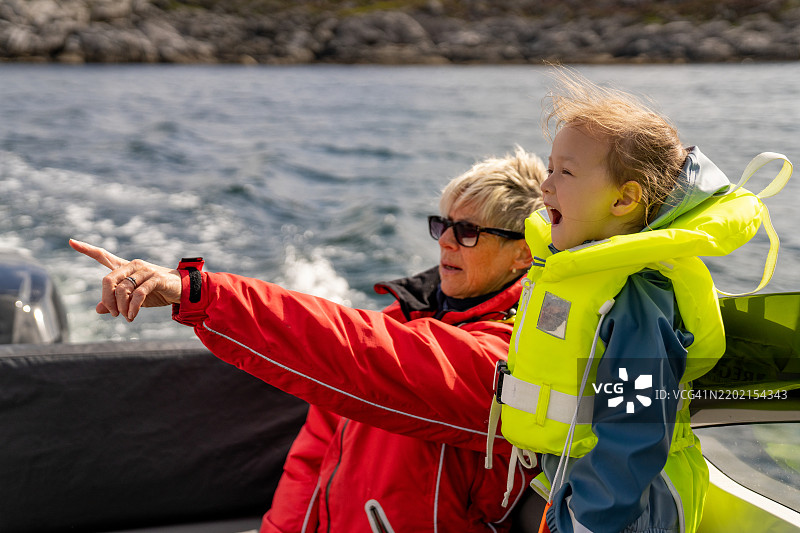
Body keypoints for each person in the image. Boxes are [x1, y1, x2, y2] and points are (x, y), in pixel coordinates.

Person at [71, 146, 547, 532]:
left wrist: (198, 293)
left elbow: (357, 350)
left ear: (522, 253)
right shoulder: (401, 317)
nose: (444, 240)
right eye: (442, 225)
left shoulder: (514, 352)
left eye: (467, 232)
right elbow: (314, 458)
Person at [485, 70, 781, 533]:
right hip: (583, 479)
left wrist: (591, 519)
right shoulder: (573, 270)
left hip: (631, 504)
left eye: (565, 172)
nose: (545, 186)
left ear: (624, 199)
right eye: (549, 167)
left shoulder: (635, 297)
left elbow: (636, 429)